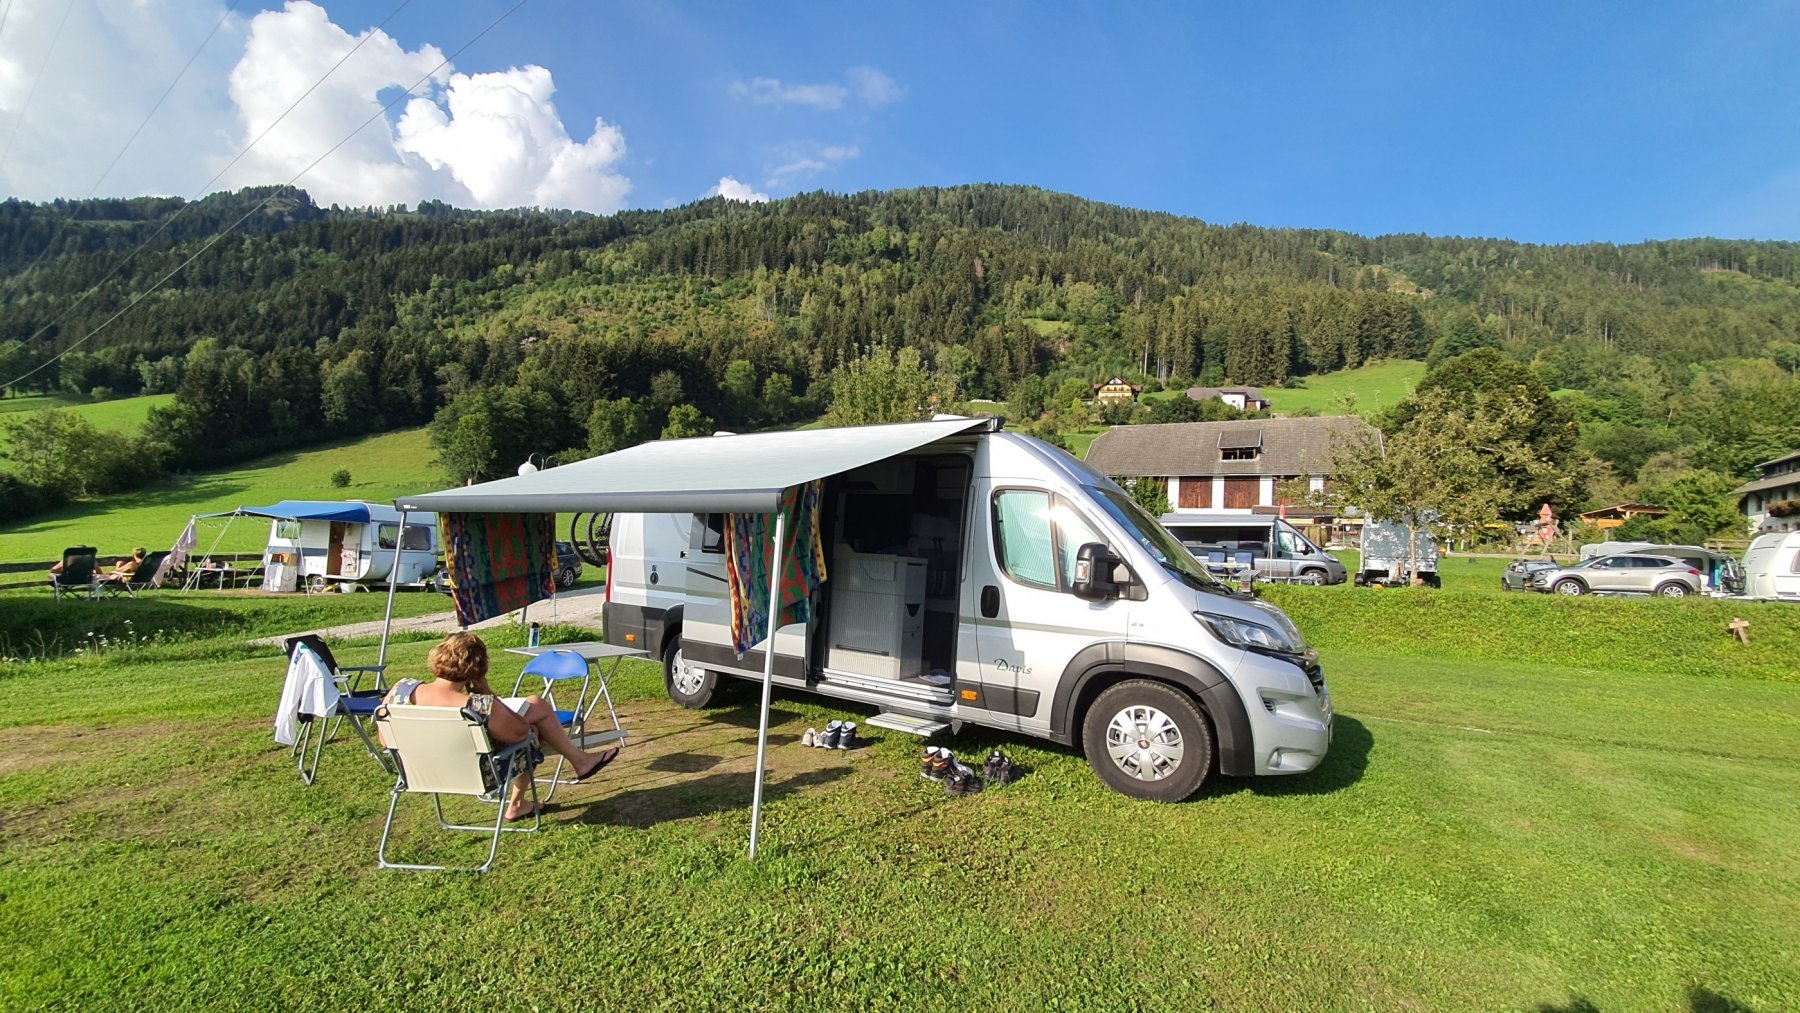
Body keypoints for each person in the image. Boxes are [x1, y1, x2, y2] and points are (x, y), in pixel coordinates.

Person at [386, 633, 619, 821]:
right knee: (532, 733)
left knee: (533, 710)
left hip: (418, 771)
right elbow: (519, 733)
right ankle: (518, 802)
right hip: (473, 774)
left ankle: (572, 766)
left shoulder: (400, 690)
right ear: (477, 668)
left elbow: (386, 739)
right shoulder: (476, 704)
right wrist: (486, 691)